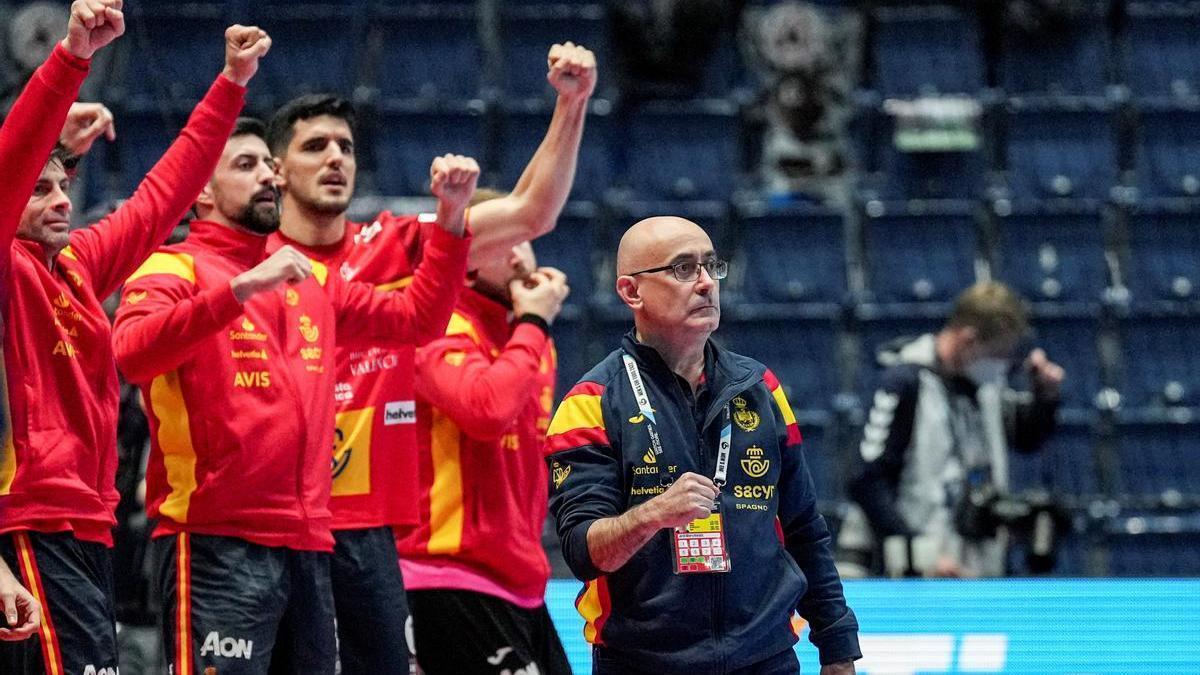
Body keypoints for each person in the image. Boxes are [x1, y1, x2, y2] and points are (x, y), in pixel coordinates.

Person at [263, 40, 596, 674]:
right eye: (314, 147)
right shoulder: (254, 270)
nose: (335, 158)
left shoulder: (391, 248)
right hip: (280, 530)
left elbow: (532, 212)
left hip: (376, 542)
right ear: (275, 170)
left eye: (346, 147)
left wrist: (572, 103)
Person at [111, 114, 476, 673]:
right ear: (200, 190)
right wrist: (237, 291)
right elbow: (131, 353)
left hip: (308, 543)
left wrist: (450, 223)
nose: (269, 178)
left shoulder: (308, 280)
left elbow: (417, 320)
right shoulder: (172, 266)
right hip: (213, 540)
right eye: (246, 165)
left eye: (268, 166)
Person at [0, 5, 260, 672]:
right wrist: (72, 56)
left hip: (88, 522)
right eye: (42, 190)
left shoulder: (79, 265)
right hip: (29, 521)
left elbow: (162, 196)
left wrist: (230, 84)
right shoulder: (8, 265)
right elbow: (14, 155)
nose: (62, 199)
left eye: (66, 186)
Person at [544, 216, 860, 674]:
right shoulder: (590, 403)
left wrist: (837, 645)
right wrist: (652, 515)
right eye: (682, 269)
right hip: (642, 663)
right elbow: (582, 552)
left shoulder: (761, 388)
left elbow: (804, 528)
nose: (707, 283)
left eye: (712, 266)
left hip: (766, 659)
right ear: (632, 292)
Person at [400, 236, 571, 675]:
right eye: (504, 242)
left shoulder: (531, 339)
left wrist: (530, 324)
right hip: (449, 574)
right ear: (465, 263)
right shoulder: (434, 326)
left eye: (527, 240)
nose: (520, 254)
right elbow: (487, 412)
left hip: (520, 580)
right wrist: (534, 319)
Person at [847, 281, 1065, 578]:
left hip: (974, 568)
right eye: (998, 355)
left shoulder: (987, 388)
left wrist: (1045, 398)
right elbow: (867, 480)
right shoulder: (906, 383)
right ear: (969, 340)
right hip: (917, 573)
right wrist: (917, 551)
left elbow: (1026, 438)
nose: (1002, 366)